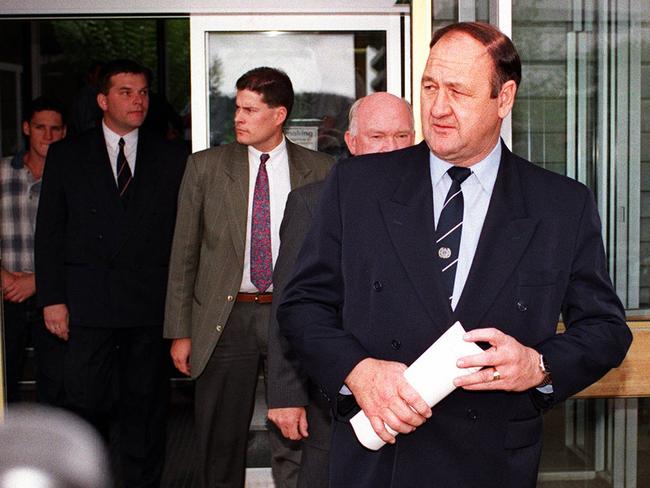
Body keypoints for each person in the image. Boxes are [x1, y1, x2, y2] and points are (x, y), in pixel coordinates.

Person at [278, 22, 632, 488]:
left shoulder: (560, 205)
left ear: (503, 98)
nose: (438, 108)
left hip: (492, 461)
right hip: (380, 457)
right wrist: (357, 372)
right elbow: (302, 306)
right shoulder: (358, 186)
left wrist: (539, 365)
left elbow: (606, 330)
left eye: (458, 92)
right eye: (429, 87)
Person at [163, 66, 333, 488]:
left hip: (292, 315)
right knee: (219, 438)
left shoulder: (322, 170)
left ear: (278, 115)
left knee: (296, 430)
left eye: (249, 110)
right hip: (227, 318)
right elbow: (184, 253)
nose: (237, 118)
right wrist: (180, 331)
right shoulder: (205, 168)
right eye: (236, 108)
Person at [34, 59, 188, 487]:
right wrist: (53, 298)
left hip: (148, 306)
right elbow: (49, 232)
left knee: (147, 412)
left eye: (142, 92)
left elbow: (184, 237)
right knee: (86, 408)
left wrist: (181, 311)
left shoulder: (172, 155)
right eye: (125, 92)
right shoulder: (67, 154)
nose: (137, 100)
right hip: (87, 306)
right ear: (102, 100)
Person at [267, 92, 415, 488]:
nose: (391, 148)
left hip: (413, 392)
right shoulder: (313, 203)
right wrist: (285, 394)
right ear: (351, 142)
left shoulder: (435, 202)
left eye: (402, 136)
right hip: (333, 390)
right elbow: (289, 302)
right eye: (378, 136)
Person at [1, 96, 67, 405]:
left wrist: (38, 281)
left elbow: (81, 240)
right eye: (41, 127)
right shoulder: (1, 173)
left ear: (64, 132)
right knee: (4, 383)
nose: (48, 135)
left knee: (56, 385)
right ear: (27, 128)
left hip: (53, 295)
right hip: (5, 292)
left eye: (55, 128)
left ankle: (53, 452)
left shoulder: (73, 179)